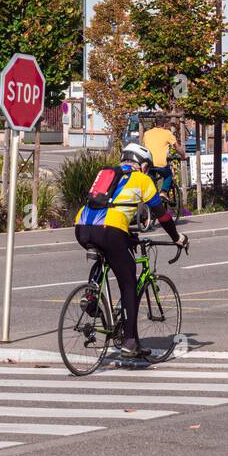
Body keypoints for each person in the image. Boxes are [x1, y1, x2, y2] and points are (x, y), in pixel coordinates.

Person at [74, 142, 188, 358]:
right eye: (148, 167)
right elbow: (161, 213)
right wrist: (177, 237)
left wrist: (128, 236)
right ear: (142, 165)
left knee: (106, 255)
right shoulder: (141, 179)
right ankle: (128, 342)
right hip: (110, 229)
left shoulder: (107, 173)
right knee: (129, 284)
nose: (148, 171)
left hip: (82, 227)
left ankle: (92, 295)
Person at [142, 118, 182, 196]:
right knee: (168, 175)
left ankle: (151, 196)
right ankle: (163, 192)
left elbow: (144, 147)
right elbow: (176, 147)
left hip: (148, 164)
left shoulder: (146, 133)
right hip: (161, 164)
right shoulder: (167, 133)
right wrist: (183, 155)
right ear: (164, 125)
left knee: (151, 179)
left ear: (154, 124)